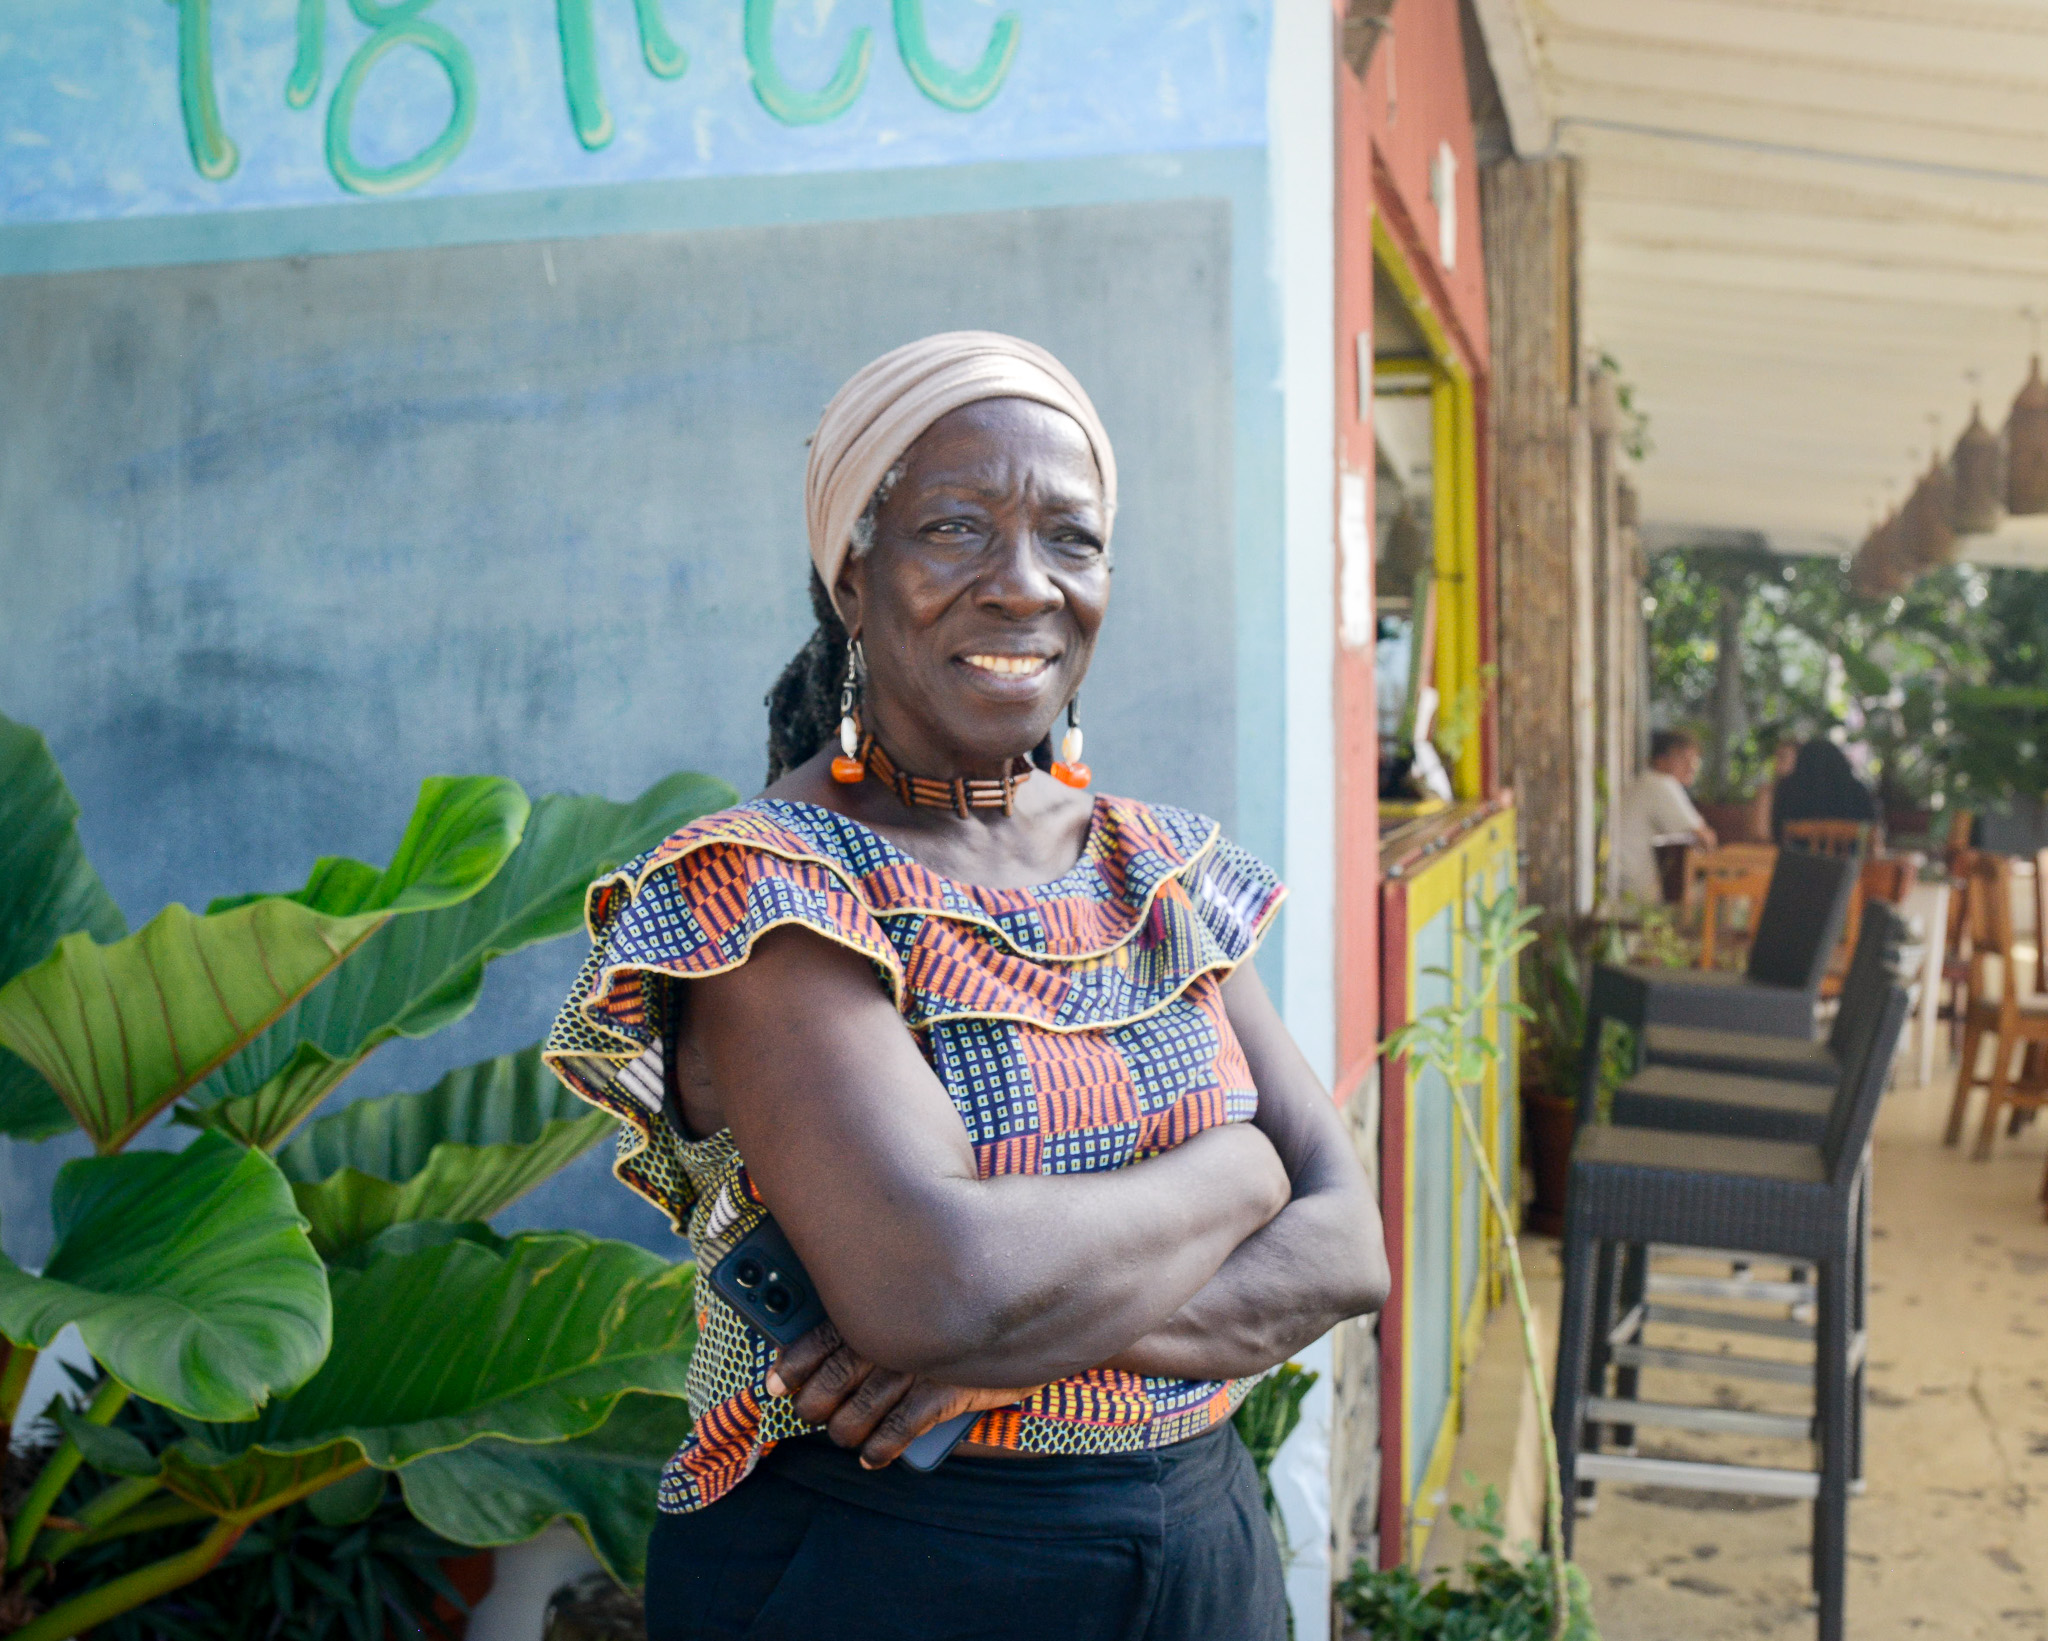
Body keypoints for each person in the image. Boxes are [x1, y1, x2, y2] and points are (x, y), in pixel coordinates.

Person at [545, 333, 1389, 1641]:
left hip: (1204, 1544)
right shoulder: (769, 886)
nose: (1024, 586)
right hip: (886, 1556)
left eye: (1072, 537)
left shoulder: (1152, 863)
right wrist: (1241, 1177)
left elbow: (1349, 1250)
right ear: (853, 576)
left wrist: (1003, 1351)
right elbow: (936, 1292)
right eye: (956, 529)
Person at [1611, 728, 1717, 906]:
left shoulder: (1646, 782)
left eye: (1694, 759)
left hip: (1622, 883)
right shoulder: (1661, 783)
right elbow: (1705, 837)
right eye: (1683, 758)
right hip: (1634, 889)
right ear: (1660, 760)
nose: (1691, 765)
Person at [1770, 737, 1880, 842]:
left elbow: (1770, 833)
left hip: (1795, 860)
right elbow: (1873, 834)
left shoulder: (1787, 791)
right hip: (1851, 861)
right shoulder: (1859, 793)